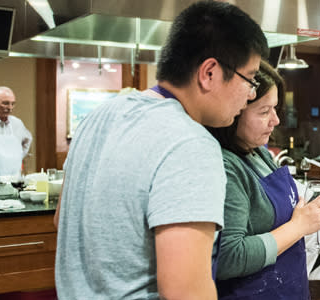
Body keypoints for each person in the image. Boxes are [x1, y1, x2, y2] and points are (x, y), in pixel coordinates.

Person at [53, 2, 269, 298]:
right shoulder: (191, 143)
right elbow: (185, 291)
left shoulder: (99, 116)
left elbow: (60, 220)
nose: (251, 93)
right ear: (209, 73)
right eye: (250, 78)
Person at [207, 60, 320, 299]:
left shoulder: (260, 153)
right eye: (264, 111)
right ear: (234, 112)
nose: (275, 120)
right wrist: (299, 226)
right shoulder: (226, 167)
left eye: (275, 109)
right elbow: (229, 257)